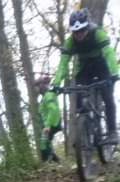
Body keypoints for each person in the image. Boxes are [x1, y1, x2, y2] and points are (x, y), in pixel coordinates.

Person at [51, 8, 119, 144]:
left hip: (102, 67)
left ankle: (112, 132)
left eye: (81, 30)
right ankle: (84, 132)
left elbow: (108, 53)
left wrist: (114, 73)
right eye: (76, 32)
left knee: (107, 96)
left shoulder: (98, 33)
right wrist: (57, 83)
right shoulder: (70, 42)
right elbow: (63, 64)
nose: (79, 34)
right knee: (78, 97)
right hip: (84, 69)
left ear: (87, 26)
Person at [34, 75, 62, 162]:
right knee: (46, 144)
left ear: (42, 86)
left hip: (52, 123)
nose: (36, 89)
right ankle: (55, 162)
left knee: (43, 145)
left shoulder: (49, 95)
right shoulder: (45, 97)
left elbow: (53, 109)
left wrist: (48, 125)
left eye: (37, 86)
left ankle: (46, 164)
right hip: (49, 124)